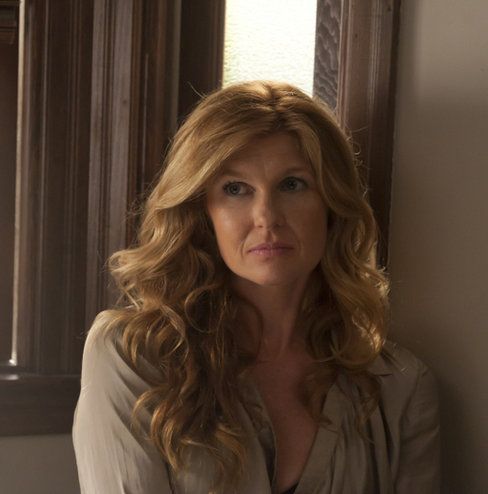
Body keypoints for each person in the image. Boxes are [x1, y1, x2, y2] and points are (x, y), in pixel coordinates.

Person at [72, 81, 440, 494]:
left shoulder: (399, 386)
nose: (266, 216)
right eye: (235, 189)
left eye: (292, 184)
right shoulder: (134, 355)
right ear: (203, 212)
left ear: (332, 203)